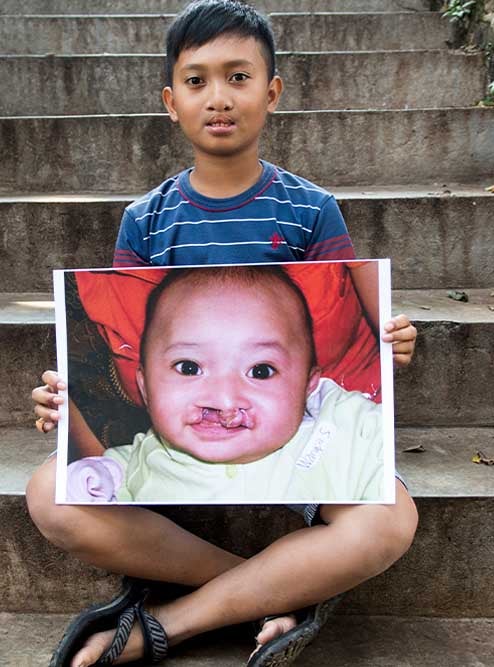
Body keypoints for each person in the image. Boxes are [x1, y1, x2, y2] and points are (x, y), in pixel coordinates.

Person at [26, 1, 418, 665]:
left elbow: (358, 331)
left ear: (272, 93)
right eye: (197, 79)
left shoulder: (310, 210)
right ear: (170, 100)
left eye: (239, 78)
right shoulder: (146, 221)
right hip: (174, 453)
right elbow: (121, 339)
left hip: (293, 445)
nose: (219, 97)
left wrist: (394, 341)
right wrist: (67, 399)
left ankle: (173, 621)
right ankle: (264, 583)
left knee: (390, 521)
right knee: (50, 497)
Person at [66, 265, 387, 504]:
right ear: (145, 387)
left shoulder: (339, 428)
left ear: (308, 386)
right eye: (189, 367)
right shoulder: (137, 460)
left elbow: (380, 449)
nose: (222, 399)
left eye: (260, 371)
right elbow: (85, 492)